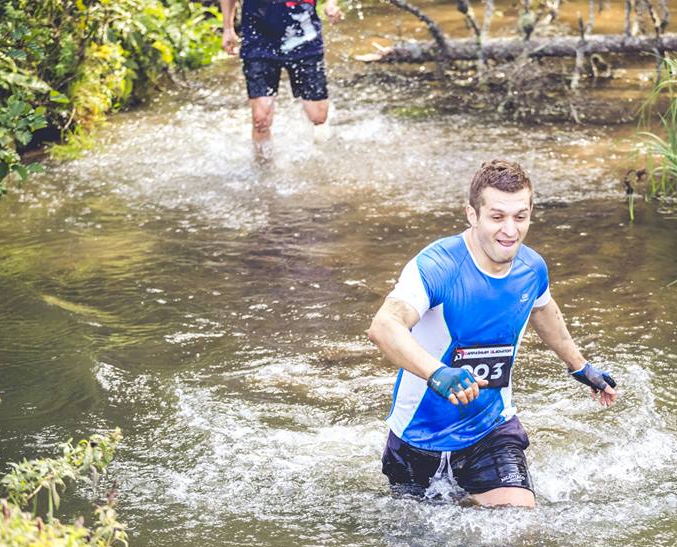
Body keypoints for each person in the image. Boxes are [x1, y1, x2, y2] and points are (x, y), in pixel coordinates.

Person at [367, 160, 618, 509]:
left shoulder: (532, 268)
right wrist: (437, 373)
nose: (510, 231)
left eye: (521, 217)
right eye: (497, 217)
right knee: (428, 546)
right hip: (418, 437)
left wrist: (580, 366)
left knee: (516, 526)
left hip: (491, 429)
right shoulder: (438, 265)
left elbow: (542, 309)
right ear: (472, 214)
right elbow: (384, 326)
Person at [219, 0, 343, 153]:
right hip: (258, 39)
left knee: (318, 116)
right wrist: (228, 27)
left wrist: (331, 4)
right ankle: (264, 171)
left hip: (304, 38)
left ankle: (323, 154)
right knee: (261, 119)